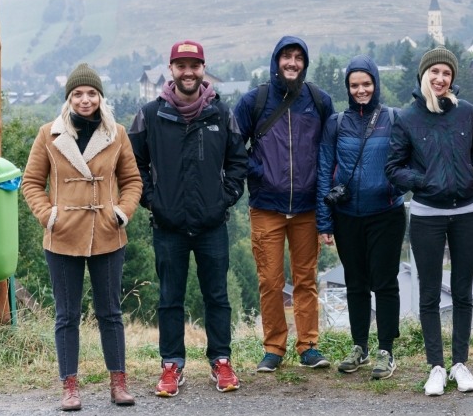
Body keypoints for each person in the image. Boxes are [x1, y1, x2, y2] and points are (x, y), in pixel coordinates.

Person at [129, 41, 248, 397]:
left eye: (194, 65)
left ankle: (221, 361)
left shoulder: (221, 114)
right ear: (171, 70)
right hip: (168, 227)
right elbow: (134, 166)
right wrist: (154, 202)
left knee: (217, 296)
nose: (188, 72)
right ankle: (171, 366)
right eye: (181, 65)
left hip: (212, 225)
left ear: (203, 69)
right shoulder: (149, 114)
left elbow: (239, 162)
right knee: (169, 298)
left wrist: (223, 199)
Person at [21, 64, 143, 411]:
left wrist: (121, 213)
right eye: (78, 94)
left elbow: (133, 181)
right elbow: (31, 183)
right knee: (66, 314)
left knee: (110, 312)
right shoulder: (49, 134)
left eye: (91, 93)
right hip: (62, 236)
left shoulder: (117, 133)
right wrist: (49, 216)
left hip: (106, 233)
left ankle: (118, 383)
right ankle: (69, 387)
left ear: (100, 97)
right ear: (69, 98)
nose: (85, 99)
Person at [385, 47, 473, 396]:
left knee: (463, 291)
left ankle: (460, 364)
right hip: (427, 214)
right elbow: (394, 168)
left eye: (446, 73)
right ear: (423, 75)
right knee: (428, 293)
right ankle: (436, 367)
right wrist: (425, 181)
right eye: (434, 73)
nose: (440, 79)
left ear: (452, 78)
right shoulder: (407, 117)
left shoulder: (465, 112)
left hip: (467, 212)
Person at [234, 36, 333, 372]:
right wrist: (258, 172)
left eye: (298, 58)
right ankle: (274, 349)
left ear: (305, 63)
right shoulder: (255, 101)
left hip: (306, 208)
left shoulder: (319, 101)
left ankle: (308, 347)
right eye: (286, 57)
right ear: (276, 60)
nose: (292, 63)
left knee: (306, 280)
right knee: (270, 281)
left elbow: (330, 151)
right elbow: (232, 146)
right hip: (266, 207)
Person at [316, 55, 405, 379]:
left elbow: (406, 160)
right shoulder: (336, 124)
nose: (361, 90)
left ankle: (386, 351)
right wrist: (324, 222)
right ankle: (359, 347)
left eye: (366, 83)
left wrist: (394, 186)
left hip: (386, 213)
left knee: (384, 283)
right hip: (346, 215)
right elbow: (325, 170)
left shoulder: (393, 118)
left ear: (376, 83)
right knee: (355, 283)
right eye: (354, 85)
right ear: (347, 88)